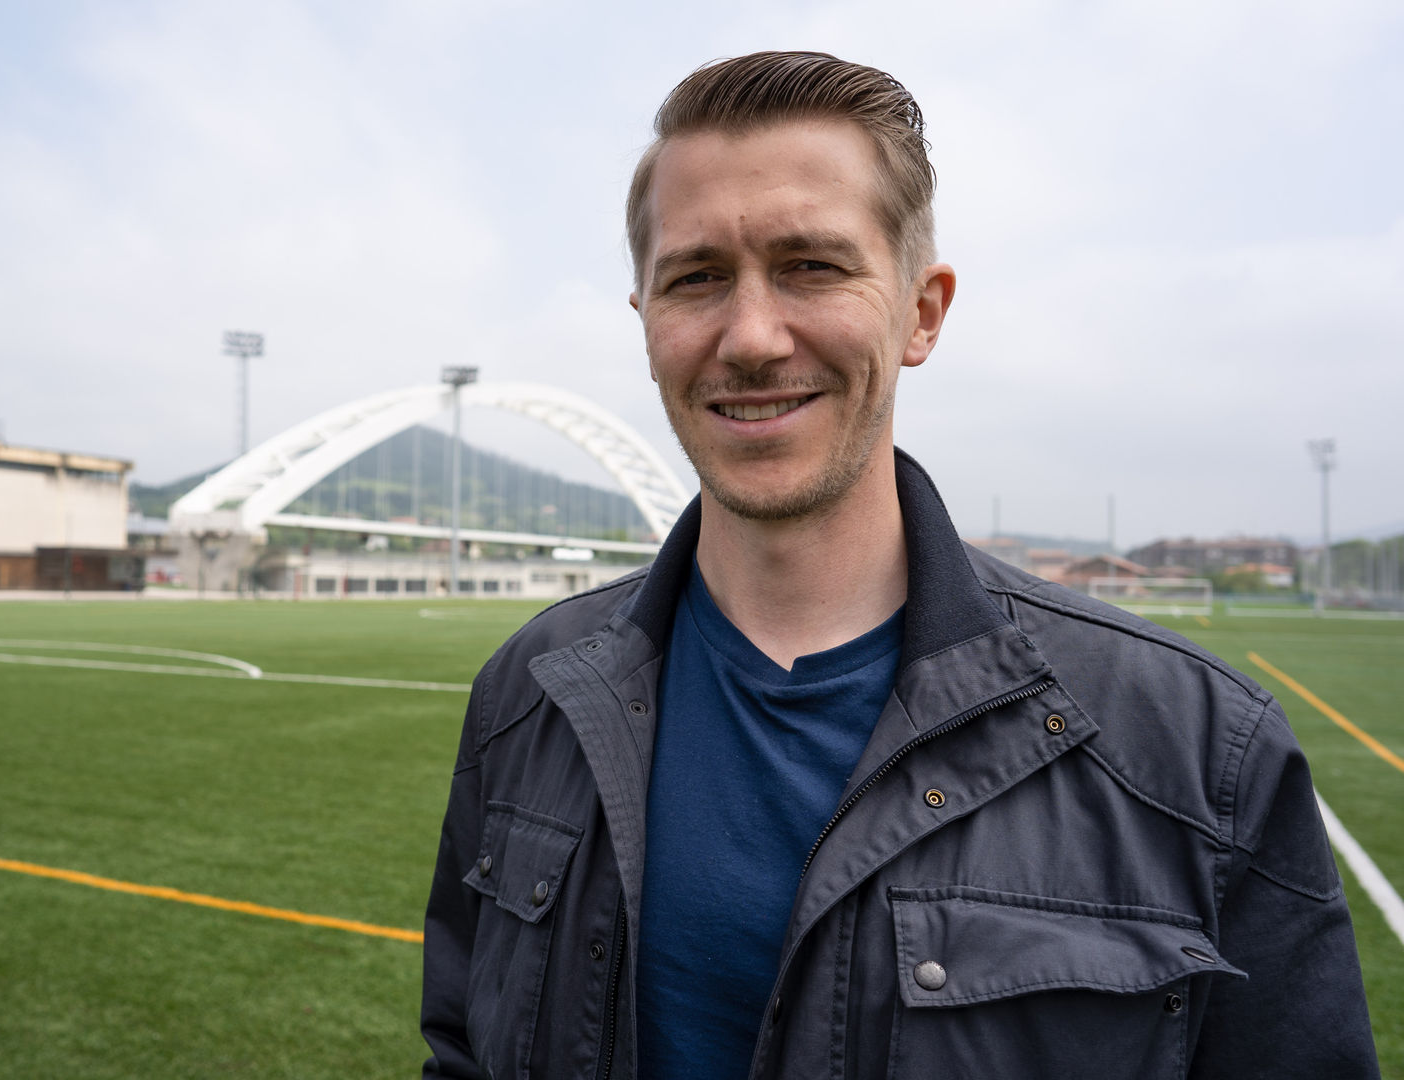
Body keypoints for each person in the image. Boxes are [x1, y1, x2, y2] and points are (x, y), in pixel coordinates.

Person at [419, 50, 1379, 1080]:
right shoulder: (527, 697)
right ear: (646, 320)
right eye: (696, 279)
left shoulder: (1197, 748)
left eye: (812, 267)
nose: (751, 338)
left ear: (922, 312)